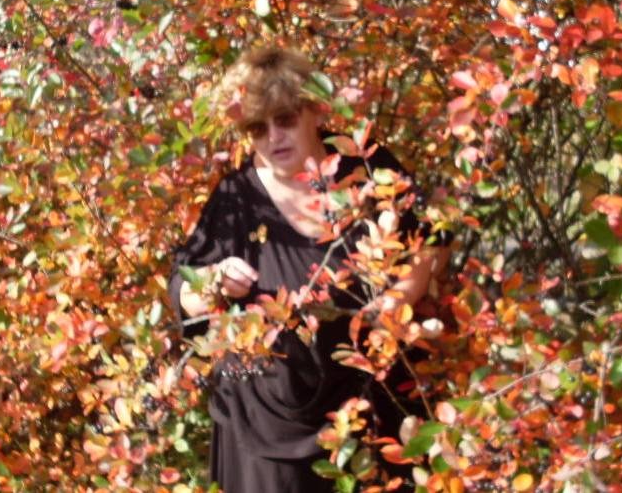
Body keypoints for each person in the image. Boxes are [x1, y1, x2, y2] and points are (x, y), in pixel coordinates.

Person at [168, 46, 450, 492]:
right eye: (257, 128)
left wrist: (396, 303)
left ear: (314, 111)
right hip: (265, 431)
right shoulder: (235, 200)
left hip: (371, 405)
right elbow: (184, 293)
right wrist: (214, 282)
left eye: (284, 119)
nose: (273, 137)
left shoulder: (366, 168)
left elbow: (430, 243)